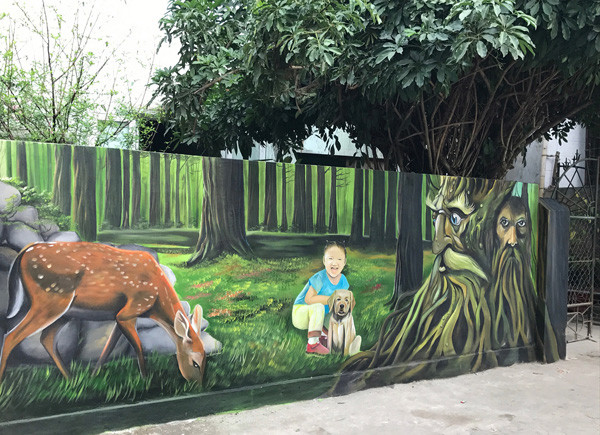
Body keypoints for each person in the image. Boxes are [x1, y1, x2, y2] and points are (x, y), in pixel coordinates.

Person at [292, 241, 349, 355]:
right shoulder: (320, 278)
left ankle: (325, 336)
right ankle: (312, 344)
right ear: (324, 260)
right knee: (319, 307)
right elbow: (308, 300)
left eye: (339, 259)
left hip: (319, 317)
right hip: (301, 313)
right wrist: (330, 299)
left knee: (340, 311)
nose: (334, 263)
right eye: (330, 258)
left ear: (344, 262)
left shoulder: (343, 281)